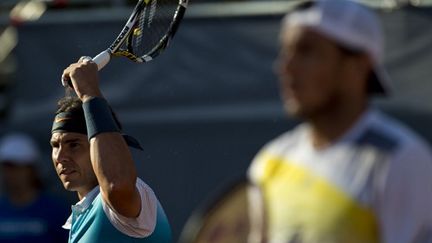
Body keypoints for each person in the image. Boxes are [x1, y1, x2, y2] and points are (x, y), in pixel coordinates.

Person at [247, 1, 432, 243]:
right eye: (285, 51)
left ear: (358, 65)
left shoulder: (403, 160)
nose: (286, 67)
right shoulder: (269, 162)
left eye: (306, 51)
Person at [50, 57, 172, 242]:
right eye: (55, 145)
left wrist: (89, 93)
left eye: (74, 144)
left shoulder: (123, 200)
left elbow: (116, 186)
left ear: (98, 146)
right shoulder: (81, 216)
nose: (61, 156)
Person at [0, 132, 69, 242]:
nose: (10, 174)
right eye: (6, 167)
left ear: (32, 170)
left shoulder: (56, 211)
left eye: (16, 167)